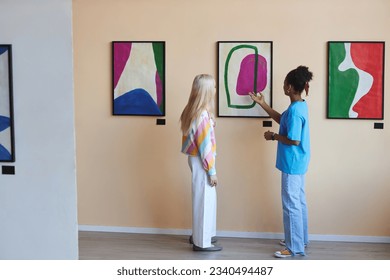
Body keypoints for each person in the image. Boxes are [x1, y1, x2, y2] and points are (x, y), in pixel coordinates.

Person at [250, 66, 313, 258]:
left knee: (291, 204)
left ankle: (294, 248)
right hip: (299, 162)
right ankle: (300, 239)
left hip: (292, 163)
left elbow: (294, 139)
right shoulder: (299, 105)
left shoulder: (295, 111)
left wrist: (273, 136)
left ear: (291, 87)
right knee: (298, 202)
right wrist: (263, 104)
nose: (283, 86)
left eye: (285, 83)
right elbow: (282, 120)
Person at [180, 74, 222, 252]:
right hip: (202, 160)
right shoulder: (202, 115)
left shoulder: (195, 111)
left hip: (196, 159)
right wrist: (212, 171)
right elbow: (205, 146)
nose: (215, 90)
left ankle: (203, 234)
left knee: (204, 198)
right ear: (206, 91)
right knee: (204, 199)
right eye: (213, 87)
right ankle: (202, 242)